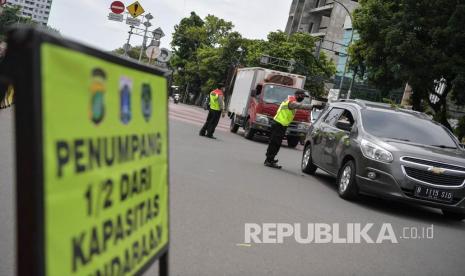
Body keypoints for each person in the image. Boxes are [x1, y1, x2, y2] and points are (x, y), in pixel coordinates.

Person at [265, 89, 313, 169]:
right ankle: (269, 160)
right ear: (297, 95)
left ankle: (270, 159)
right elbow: (300, 106)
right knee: (275, 143)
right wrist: (312, 106)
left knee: (276, 143)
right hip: (278, 124)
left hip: (281, 125)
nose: (303, 98)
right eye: (302, 96)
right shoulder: (291, 101)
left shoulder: (291, 100)